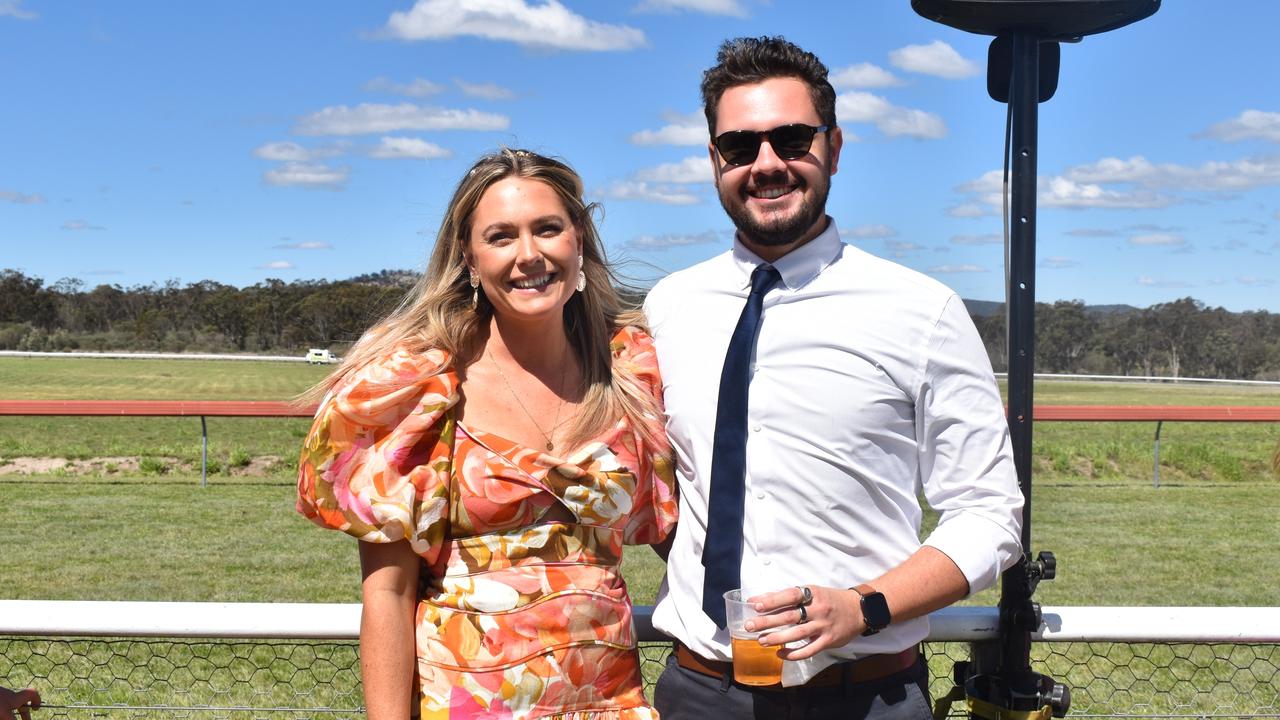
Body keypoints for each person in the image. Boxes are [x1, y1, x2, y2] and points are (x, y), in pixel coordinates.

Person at [645, 36, 1025, 719]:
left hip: (863, 695)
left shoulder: (921, 310)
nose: (766, 164)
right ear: (714, 161)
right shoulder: (668, 307)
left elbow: (990, 515)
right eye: (740, 147)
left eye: (792, 138)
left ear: (835, 148)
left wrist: (865, 606)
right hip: (699, 692)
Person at [296, 148, 676, 720]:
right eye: (501, 236)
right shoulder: (417, 390)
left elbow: (684, 542)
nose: (530, 255)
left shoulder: (629, 370)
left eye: (548, 229)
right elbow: (388, 594)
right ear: (470, 261)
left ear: (579, 243)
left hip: (609, 704)